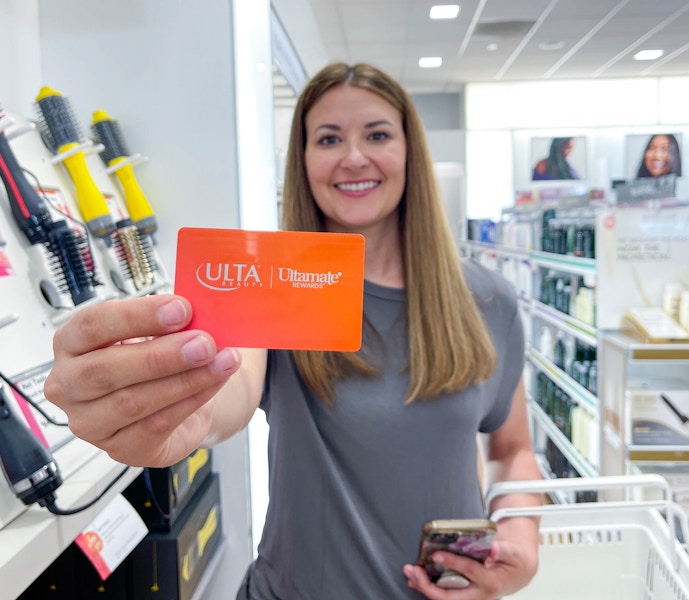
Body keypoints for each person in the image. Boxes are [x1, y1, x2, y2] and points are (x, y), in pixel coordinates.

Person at [44, 62, 542, 599]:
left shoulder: (486, 300)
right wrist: (177, 411)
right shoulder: (275, 285)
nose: (354, 157)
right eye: (329, 138)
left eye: (376, 134)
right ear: (303, 161)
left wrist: (522, 536)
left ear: (409, 152)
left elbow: (511, 448)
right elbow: (230, 392)